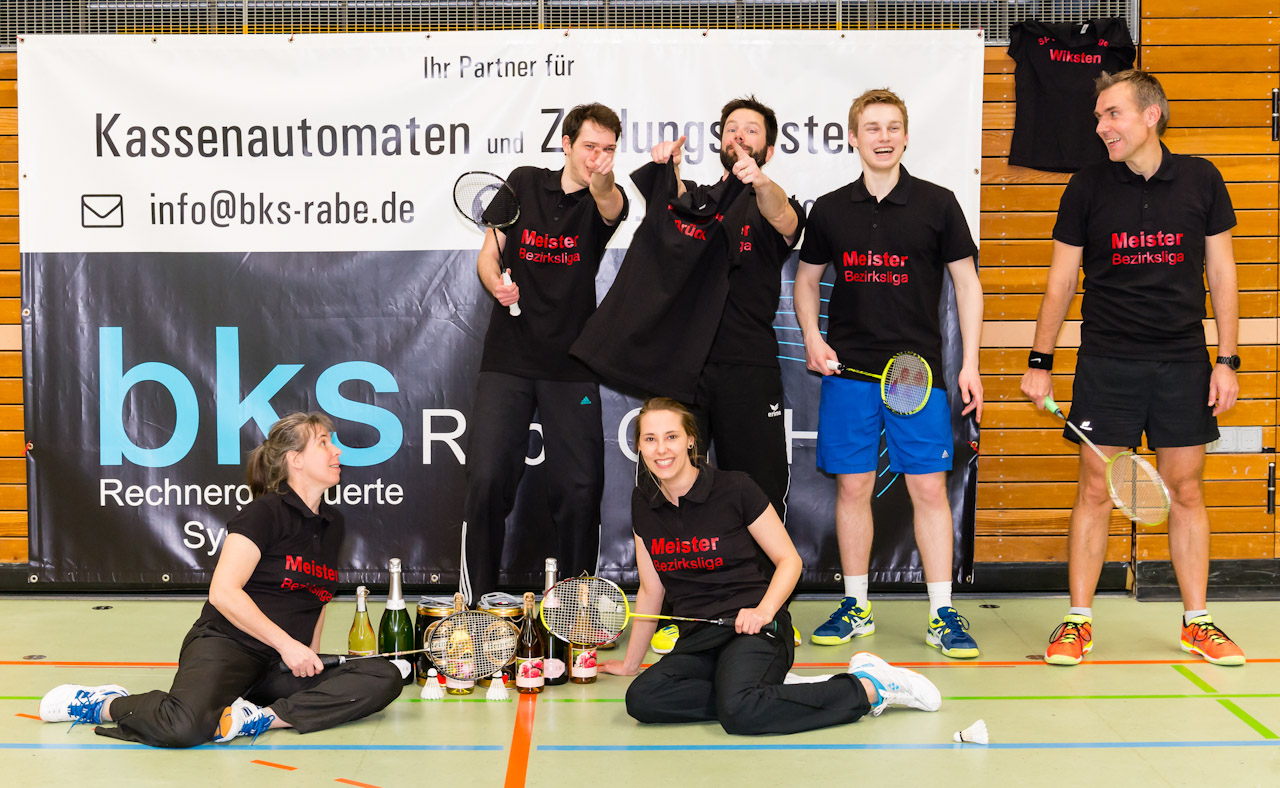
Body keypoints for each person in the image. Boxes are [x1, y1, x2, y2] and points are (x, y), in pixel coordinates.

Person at [1020, 69, 1244, 667]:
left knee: (1187, 490)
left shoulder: (1201, 179)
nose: (1101, 126)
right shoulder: (1087, 186)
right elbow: (1061, 280)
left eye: (1111, 114)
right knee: (1095, 490)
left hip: (1182, 362)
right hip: (1106, 362)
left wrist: (1226, 359)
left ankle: (1197, 622)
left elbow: (1222, 274)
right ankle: (1078, 621)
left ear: (1151, 115)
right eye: (1098, 117)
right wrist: (1040, 361)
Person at [38, 412, 404, 747]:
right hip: (229, 646)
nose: (337, 450)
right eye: (324, 442)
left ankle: (259, 718)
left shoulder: (332, 523)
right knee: (183, 727)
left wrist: (306, 655)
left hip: (279, 664)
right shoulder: (263, 513)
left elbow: (317, 598)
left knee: (385, 675)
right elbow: (224, 593)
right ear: (295, 460)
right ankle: (103, 704)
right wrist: (288, 645)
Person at [600, 397, 941, 735]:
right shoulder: (643, 503)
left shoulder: (735, 488)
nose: (661, 449)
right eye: (650, 439)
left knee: (740, 713)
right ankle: (761, 691)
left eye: (671, 436)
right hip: (698, 640)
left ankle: (868, 687)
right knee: (643, 699)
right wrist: (631, 663)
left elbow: (789, 560)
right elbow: (652, 590)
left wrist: (763, 611)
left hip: (756, 630)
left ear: (690, 440)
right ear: (639, 446)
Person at [795, 88, 985, 658]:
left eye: (893, 127)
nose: (883, 137)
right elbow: (806, 281)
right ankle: (856, 606)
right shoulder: (831, 209)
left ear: (906, 136)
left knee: (928, 489)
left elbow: (967, 283)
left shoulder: (938, 203)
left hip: (915, 376)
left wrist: (970, 363)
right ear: (853, 138)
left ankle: (942, 614)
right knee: (853, 488)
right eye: (872, 128)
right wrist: (812, 337)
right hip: (849, 372)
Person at [645, 96, 805, 656]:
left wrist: (760, 182)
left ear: (768, 146)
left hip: (748, 367)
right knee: (673, 486)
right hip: (685, 368)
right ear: (719, 140)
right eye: (731, 128)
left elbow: (785, 218)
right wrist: (668, 173)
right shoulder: (700, 201)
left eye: (751, 130)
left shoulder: (772, 200)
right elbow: (664, 227)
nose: (739, 135)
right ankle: (680, 613)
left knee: (758, 486)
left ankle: (769, 609)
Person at [461, 102, 628, 605]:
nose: (598, 157)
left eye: (608, 149)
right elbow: (489, 254)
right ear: (567, 144)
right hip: (508, 360)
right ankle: (476, 608)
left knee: (580, 489)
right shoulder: (524, 182)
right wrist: (497, 283)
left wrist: (603, 177)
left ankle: (578, 609)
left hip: (571, 366)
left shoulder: (607, 198)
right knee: (487, 480)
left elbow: (608, 199)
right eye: (590, 147)